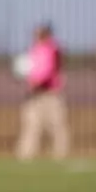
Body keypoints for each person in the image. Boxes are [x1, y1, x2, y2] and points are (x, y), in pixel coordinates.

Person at [16, 23, 70, 161]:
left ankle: (60, 155)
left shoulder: (54, 49)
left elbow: (50, 69)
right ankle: (25, 156)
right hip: (34, 95)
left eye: (38, 34)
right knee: (31, 125)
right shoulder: (33, 50)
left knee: (56, 126)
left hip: (50, 94)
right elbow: (29, 70)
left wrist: (39, 82)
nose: (35, 37)